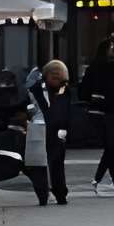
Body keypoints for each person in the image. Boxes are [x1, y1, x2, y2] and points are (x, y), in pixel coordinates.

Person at [82, 38, 114, 194]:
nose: (113, 52)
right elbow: (85, 90)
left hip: (113, 111)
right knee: (112, 146)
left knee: (111, 147)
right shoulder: (98, 68)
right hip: (101, 112)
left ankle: (97, 179)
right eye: (111, 49)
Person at [28, 58, 77, 206]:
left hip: (51, 127)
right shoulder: (41, 89)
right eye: (55, 78)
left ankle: (57, 193)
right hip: (45, 127)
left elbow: (64, 110)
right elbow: (61, 109)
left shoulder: (58, 89)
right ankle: (52, 193)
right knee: (48, 163)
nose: (58, 81)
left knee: (52, 162)